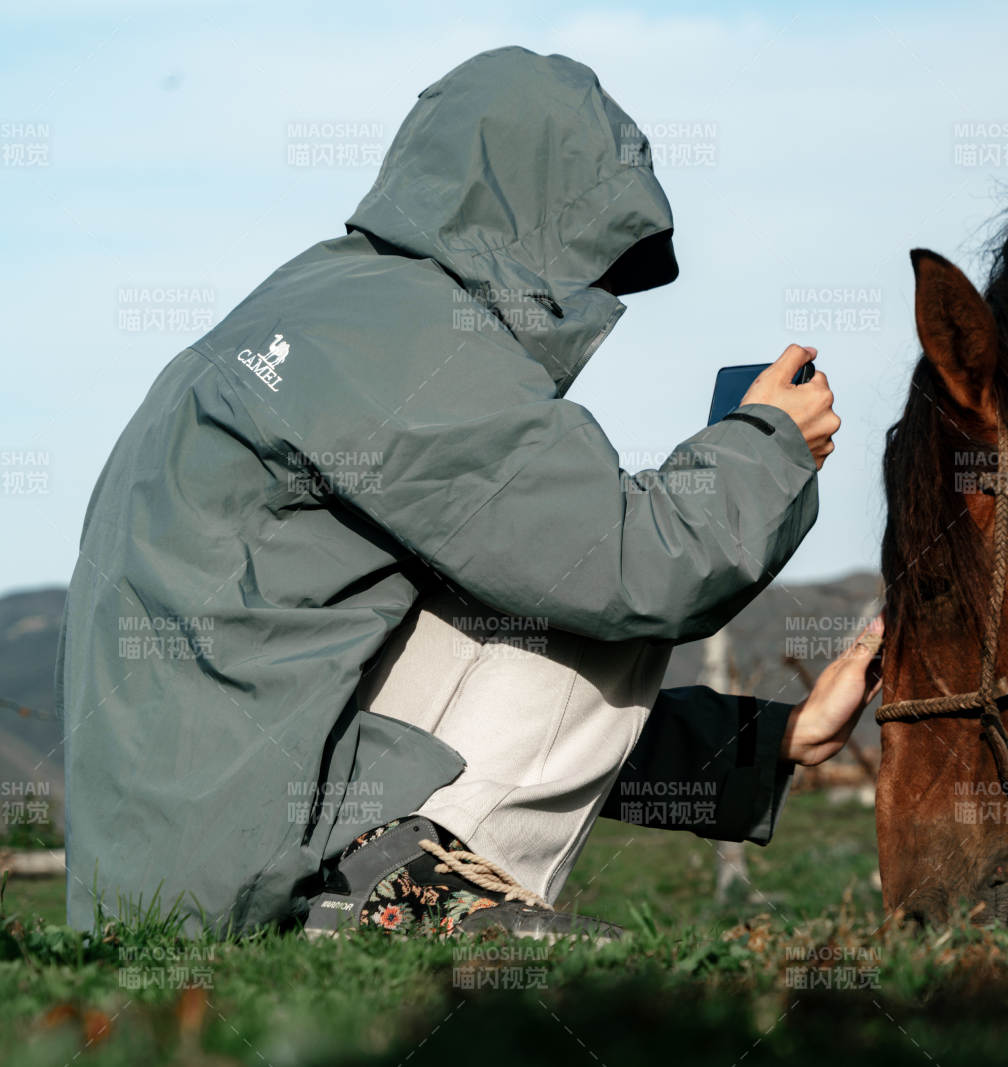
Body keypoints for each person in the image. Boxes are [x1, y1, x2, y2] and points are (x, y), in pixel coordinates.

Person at [57, 46, 879, 940]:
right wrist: (766, 443)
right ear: (540, 223)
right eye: (596, 261)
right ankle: (412, 921)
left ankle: (408, 893)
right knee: (603, 574)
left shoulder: (330, 302)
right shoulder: (408, 339)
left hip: (190, 851)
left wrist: (772, 744)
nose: (598, 295)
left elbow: (494, 687)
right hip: (242, 875)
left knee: (536, 579)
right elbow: (641, 569)